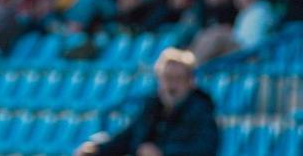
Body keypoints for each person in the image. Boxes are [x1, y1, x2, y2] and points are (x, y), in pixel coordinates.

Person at [75, 48, 219, 156]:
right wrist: (96, 150)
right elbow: (125, 139)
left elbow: (204, 149)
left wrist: (162, 152)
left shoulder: (202, 111)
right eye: (167, 78)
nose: (172, 85)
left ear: (191, 82)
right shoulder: (151, 108)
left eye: (178, 78)